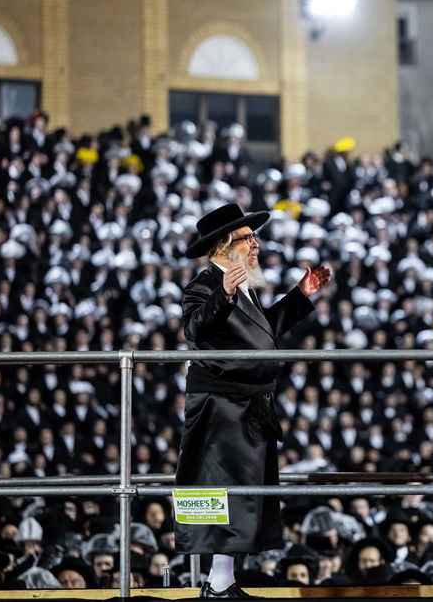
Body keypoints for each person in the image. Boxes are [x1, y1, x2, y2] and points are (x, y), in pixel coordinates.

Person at [176, 203, 332, 599]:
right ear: (226, 244)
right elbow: (195, 330)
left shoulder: (243, 286)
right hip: (221, 405)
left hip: (247, 406)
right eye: (249, 238)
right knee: (228, 492)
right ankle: (217, 584)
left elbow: (265, 334)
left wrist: (300, 296)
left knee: (246, 492)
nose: (256, 244)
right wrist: (223, 295)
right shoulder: (204, 286)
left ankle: (221, 582)